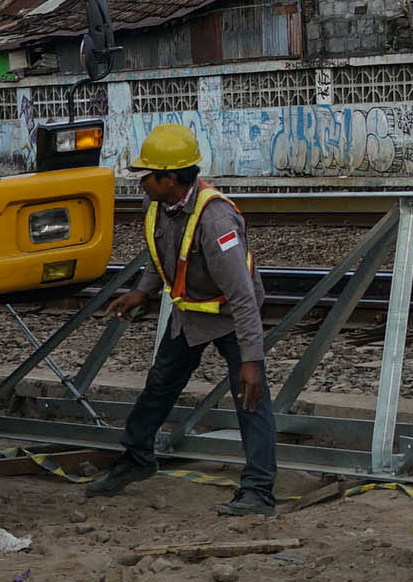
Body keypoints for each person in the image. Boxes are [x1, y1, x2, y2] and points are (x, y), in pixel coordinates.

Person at [80, 119, 280, 516]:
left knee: (251, 400)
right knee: (159, 387)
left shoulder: (216, 220)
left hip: (230, 317)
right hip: (190, 313)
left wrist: (252, 361)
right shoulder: (156, 206)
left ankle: (258, 491)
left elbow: (242, 295)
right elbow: (163, 254)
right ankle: (137, 459)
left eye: (146, 176)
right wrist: (141, 291)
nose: (139, 183)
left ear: (169, 179)